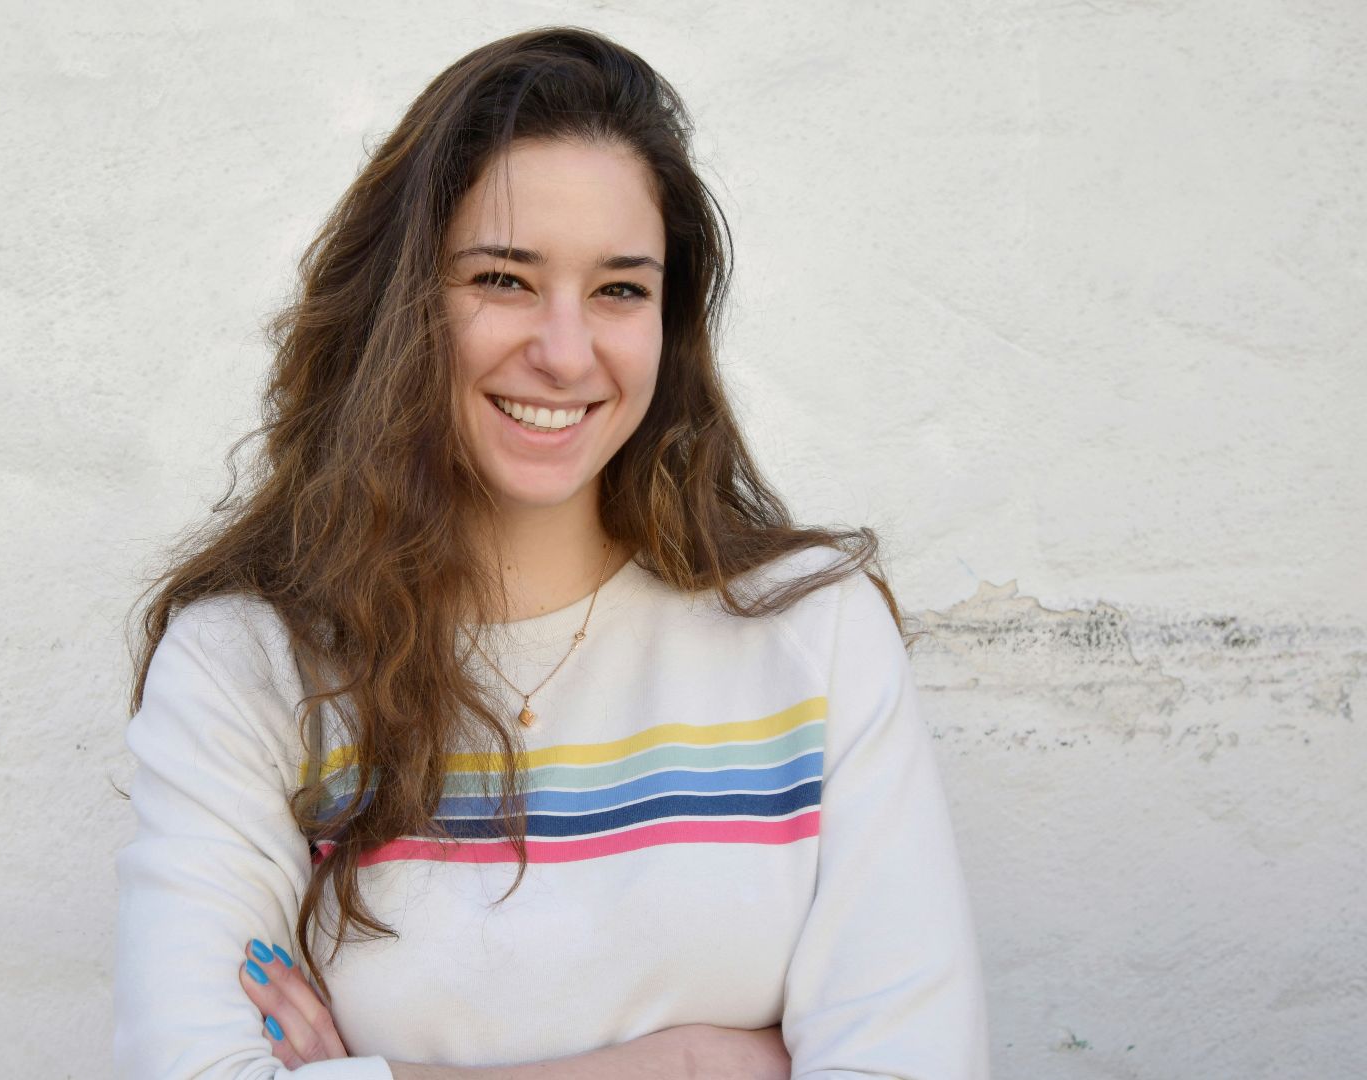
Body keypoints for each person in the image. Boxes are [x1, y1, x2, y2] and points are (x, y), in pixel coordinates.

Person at [114, 26, 988, 1080]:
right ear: (401, 305)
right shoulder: (249, 670)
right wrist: (694, 1068)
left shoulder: (813, 637)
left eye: (621, 289)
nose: (566, 352)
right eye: (504, 280)